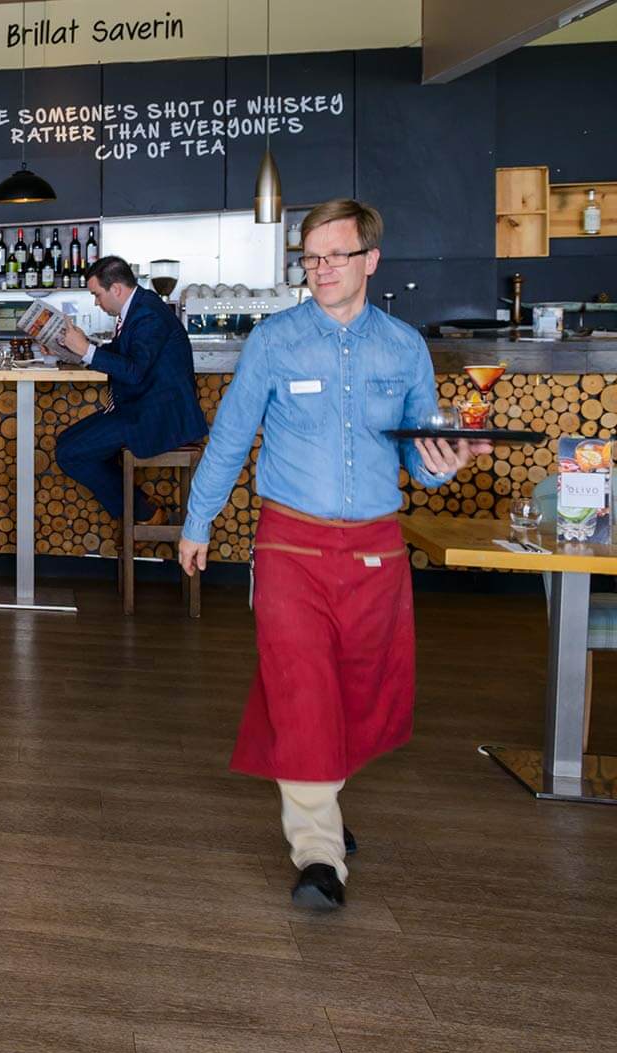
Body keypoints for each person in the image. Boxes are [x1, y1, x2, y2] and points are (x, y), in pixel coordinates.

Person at [177, 199, 490, 912]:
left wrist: (453, 461)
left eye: (334, 256)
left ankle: (323, 801)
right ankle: (317, 853)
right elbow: (230, 438)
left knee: (356, 690)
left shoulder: (405, 347)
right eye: (309, 257)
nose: (319, 269)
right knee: (303, 686)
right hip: (289, 542)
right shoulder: (274, 342)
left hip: (376, 548)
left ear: (370, 261)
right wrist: (199, 521)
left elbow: (423, 464)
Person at [54, 255, 208, 525]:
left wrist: (85, 350)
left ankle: (145, 513)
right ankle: (138, 509)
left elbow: (134, 371)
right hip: (137, 409)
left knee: (70, 453)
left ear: (116, 289)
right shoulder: (139, 308)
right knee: (65, 441)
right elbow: (123, 355)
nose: (96, 303)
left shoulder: (148, 313)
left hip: (157, 417)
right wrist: (75, 350)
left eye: (97, 295)